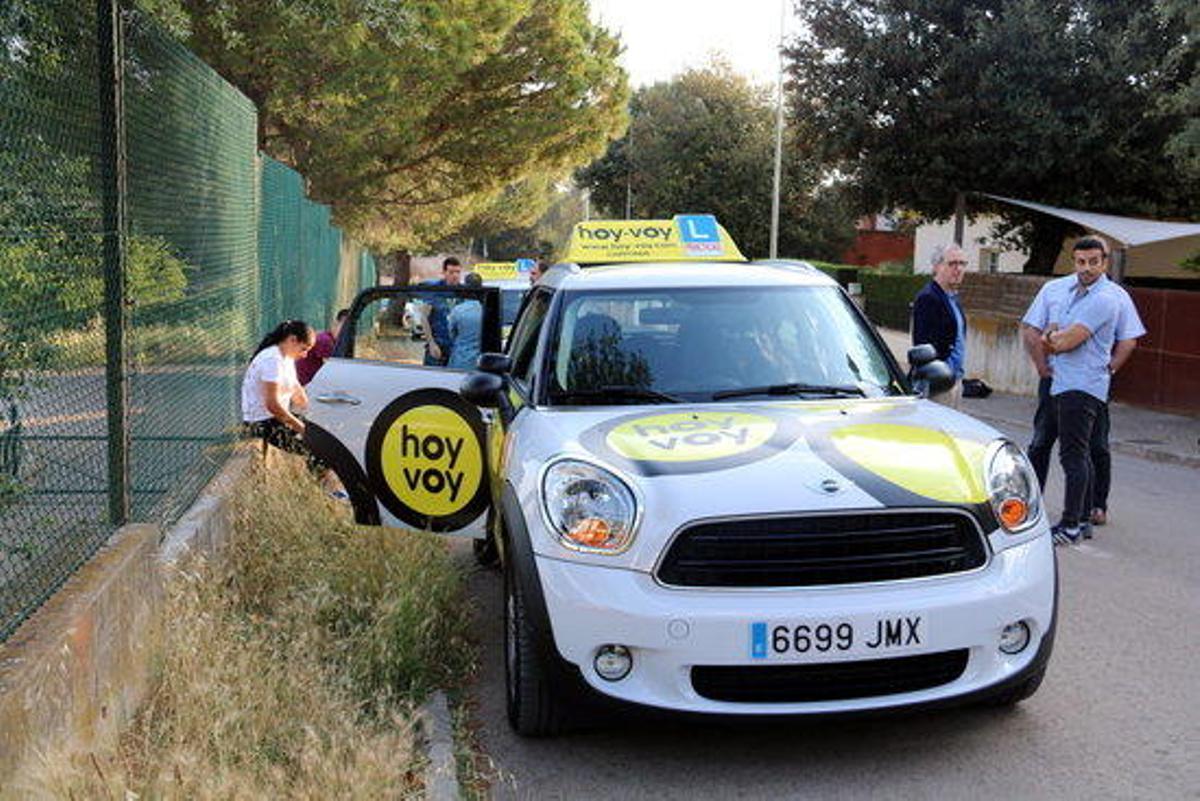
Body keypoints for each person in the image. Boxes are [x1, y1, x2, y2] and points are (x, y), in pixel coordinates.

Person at [1021, 235, 1144, 528]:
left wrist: (1108, 370)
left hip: (1086, 383)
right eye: (1081, 261)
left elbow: (1128, 340)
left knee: (1093, 447)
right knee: (1041, 443)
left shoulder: (1112, 296)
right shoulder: (1054, 289)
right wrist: (1041, 367)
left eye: (1093, 261)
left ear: (1104, 261)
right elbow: (1030, 329)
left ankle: (1092, 509)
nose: (1086, 267)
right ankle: (1032, 507)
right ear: (1074, 261)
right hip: (1053, 379)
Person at [241, 319, 324, 472]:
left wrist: (314, 414)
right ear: (292, 340)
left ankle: (320, 485)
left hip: (275, 418)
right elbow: (272, 405)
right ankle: (319, 488)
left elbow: (296, 390)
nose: (305, 355)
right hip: (262, 422)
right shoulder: (272, 360)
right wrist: (300, 427)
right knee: (319, 450)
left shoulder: (286, 356)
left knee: (322, 441)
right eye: (304, 349)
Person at [911, 244, 968, 406]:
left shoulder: (952, 298)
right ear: (936, 266)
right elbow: (922, 346)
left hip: (954, 380)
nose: (958, 269)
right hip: (938, 384)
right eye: (952, 264)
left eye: (962, 264)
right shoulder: (928, 298)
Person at [420, 257, 463, 366]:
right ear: (444, 272)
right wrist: (431, 343)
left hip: (458, 348)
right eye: (451, 272)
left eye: (458, 272)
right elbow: (424, 317)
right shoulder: (435, 290)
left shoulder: (464, 292)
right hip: (438, 344)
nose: (455, 276)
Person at [295, 308, 349, 385]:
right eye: (344, 326)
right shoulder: (325, 341)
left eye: (348, 328)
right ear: (336, 323)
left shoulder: (329, 339)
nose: (345, 331)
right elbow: (332, 371)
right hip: (305, 387)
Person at [447, 273, 484, 370]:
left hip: (460, 361)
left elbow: (451, 334)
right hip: (481, 362)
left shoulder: (457, 310)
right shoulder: (486, 310)